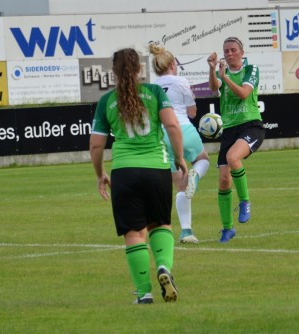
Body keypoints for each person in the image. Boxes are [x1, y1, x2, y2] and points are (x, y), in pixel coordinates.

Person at [89, 48, 187, 304]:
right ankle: (164, 266)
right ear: (139, 69)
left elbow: (96, 146)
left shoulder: (106, 102)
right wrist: (179, 158)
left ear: (114, 71)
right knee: (160, 224)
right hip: (157, 169)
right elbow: (173, 126)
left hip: (124, 172)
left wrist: (101, 174)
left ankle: (144, 293)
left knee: (134, 234)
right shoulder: (154, 93)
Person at [148, 43, 210, 244]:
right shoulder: (181, 81)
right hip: (184, 129)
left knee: (180, 186)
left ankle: (186, 232)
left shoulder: (152, 87)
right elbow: (192, 112)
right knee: (203, 160)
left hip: (164, 135)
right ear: (173, 64)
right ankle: (196, 174)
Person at [207, 37, 265, 243]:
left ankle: (245, 201)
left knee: (233, 157)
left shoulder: (251, 69)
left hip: (251, 126)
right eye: (226, 51)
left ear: (242, 52)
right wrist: (213, 69)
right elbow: (214, 86)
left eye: (233, 50)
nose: (229, 54)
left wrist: (226, 78)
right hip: (230, 130)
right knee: (223, 181)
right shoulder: (222, 71)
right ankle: (227, 229)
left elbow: (243, 94)